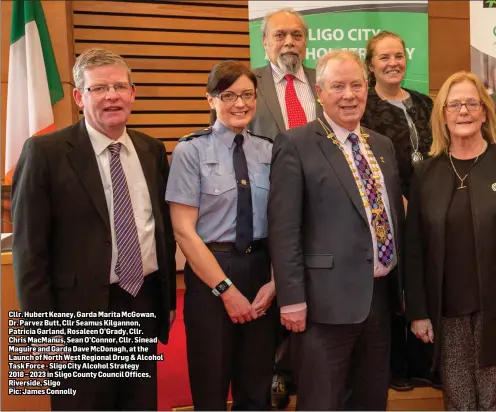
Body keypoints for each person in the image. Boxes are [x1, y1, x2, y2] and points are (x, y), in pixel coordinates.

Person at [11, 48, 177, 411]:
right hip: (78, 315)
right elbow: (29, 253)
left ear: (133, 93)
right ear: (79, 96)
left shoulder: (151, 149)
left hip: (142, 303)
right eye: (99, 88)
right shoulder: (45, 152)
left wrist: (165, 301)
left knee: (138, 405)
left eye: (120, 86)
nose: (112, 95)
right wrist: (42, 333)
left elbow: (160, 229)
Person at [269, 50, 404, 410]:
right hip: (322, 305)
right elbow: (284, 229)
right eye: (338, 86)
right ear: (319, 92)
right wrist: (292, 299)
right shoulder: (295, 144)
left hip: (379, 300)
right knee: (322, 402)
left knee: (371, 399)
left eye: (357, 85)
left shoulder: (382, 145)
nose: (349, 95)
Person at [166, 60, 277, 411]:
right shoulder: (190, 150)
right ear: (210, 99)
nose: (240, 103)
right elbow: (184, 231)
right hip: (212, 272)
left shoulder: (269, 150)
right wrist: (226, 291)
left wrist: (275, 282)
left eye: (247, 94)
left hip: (261, 270)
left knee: (257, 384)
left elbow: (282, 223)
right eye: (228, 95)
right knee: (210, 383)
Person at [405, 71, 496, 410]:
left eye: (472, 104)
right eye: (454, 104)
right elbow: (413, 249)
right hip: (448, 316)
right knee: (459, 403)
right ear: (442, 114)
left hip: (494, 312)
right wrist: (418, 312)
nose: (463, 112)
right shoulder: (426, 174)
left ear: (484, 112)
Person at [361, 30, 437, 391]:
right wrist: (402, 205)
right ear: (371, 64)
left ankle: (426, 363)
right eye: (384, 57)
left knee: (425, 279)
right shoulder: (365, 106)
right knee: (393, 285)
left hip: (431, 205)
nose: (393, 63)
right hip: (386, 210)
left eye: (399, 56)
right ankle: (395, 368)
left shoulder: (425, 102)